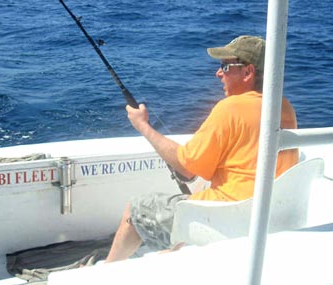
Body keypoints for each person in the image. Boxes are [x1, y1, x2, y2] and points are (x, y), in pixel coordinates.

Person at [105, 35, 298, 262]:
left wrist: (143, 126)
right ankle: (172, 254)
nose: (219, 73)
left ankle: (105, 271)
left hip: (225, 218)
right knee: (204, 185)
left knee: (136, 209)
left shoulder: (230, 108)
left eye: (225, 66)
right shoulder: (285, 108)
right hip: (266, 215)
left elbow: (187, 167)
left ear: (248, 72)